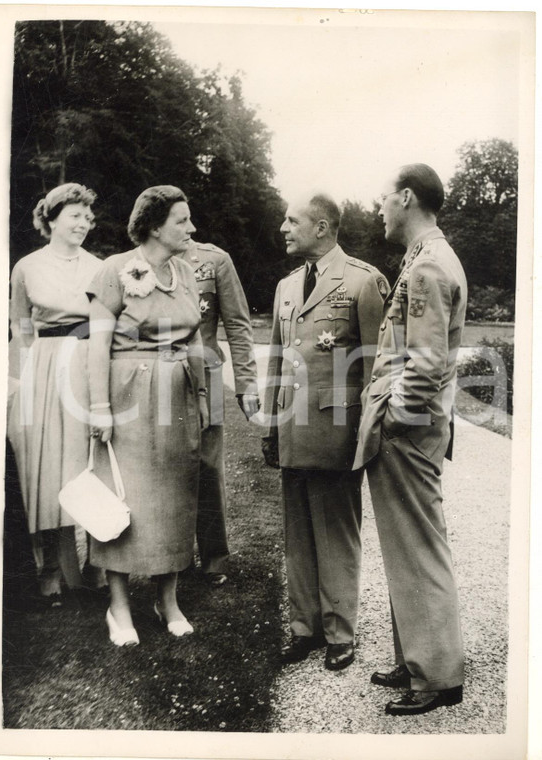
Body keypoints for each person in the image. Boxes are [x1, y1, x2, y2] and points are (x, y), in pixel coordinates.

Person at [353, 164, 467, 716]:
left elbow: (424, 361)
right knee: (406, 547)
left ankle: (438, 677)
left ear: (406, 197)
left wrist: (395, 417)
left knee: (418, 548)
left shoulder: (426, 267)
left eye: (383, 197)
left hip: (408, 428)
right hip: (415, 426)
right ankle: (417, 656)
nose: (378, 208)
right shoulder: (428, 259)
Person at [262, 192, 388, 671]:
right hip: (293, 429)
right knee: (298, 533)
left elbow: (380, 364)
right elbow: (277, 362)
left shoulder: (362, 281)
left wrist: (369, 433)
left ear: (322, 227)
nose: (283, 228)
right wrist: (271, 426)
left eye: (292, 220)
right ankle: (304, 628)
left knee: (336, 531)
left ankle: (340, 632)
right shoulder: (287, 287)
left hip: (338, 431)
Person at [87, 185, 209, 646]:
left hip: (176, 393)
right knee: (125, 497)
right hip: (127, 394)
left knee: (176, 495)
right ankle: (118, 608)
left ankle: (168, 599)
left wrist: (200, 394)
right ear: (155, 226)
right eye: (182, 220)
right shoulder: (114, 270)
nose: (191, 228)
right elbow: (97, 344)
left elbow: (194, 338)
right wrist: (99, 407)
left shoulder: (186, 272)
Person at [7, 182, 103, 607]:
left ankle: (97, 564)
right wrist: (18, 382)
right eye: (75, 215)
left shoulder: (101, 267)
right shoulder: (27, 266)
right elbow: (21, 328)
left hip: (88, 363)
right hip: (44, 367)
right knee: (46, 466)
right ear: (51, 219)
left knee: (91, 461)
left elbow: (107, 325)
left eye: (87, 217)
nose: (84, 223)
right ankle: (49, 568)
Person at [178, 239, 259, 587]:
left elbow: (238, 324)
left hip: (206, 372)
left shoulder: (214, 260)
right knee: (165, 466)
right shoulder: (142, 259)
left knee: (208, 466)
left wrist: (246, 382)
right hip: (158, 373)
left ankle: (214, 558)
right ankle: (172, 557)